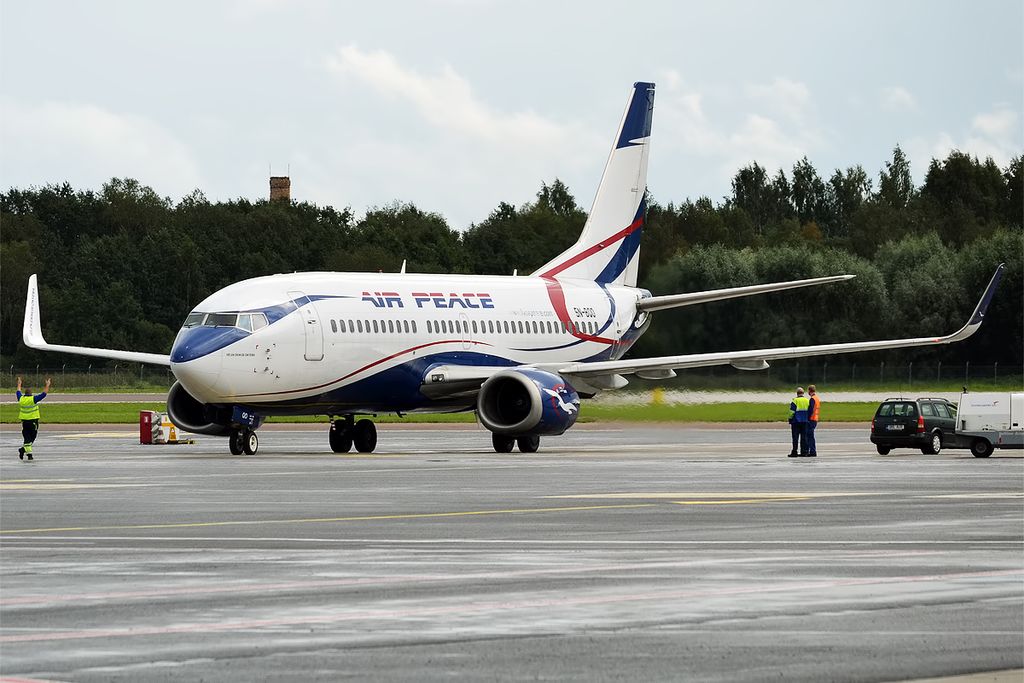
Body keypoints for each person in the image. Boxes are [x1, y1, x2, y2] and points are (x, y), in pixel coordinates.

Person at [16, 376, 51, 461]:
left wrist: (19, 384)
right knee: (31, 437)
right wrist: (47, 385)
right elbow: (44, 394)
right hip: (33, 421)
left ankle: (23, 450)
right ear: (31, 393)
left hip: (24, 422)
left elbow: (18, 391)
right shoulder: (33, 399)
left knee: (27, 436)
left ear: (25, 394)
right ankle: (29, 454)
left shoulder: (21, 399)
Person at [788, 386, 811, 457]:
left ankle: (794, 451)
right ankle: (804, 452)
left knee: (795, 437)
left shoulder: (795, 400)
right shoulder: (807, 400)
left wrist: (790, 418)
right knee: (804, 437)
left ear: (797, 393)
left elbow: (792, 411)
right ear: (803, 393)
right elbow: (810, 411)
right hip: (805, 421)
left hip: (796, 421)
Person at [806, 384, 820, 457]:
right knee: (811, 435)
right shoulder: (817, 398)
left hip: (811, 419)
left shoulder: (812, 399)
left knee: (810, 436)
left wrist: (807, 418)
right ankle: (811, 450)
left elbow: (810, 409)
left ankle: (812, 451)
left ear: (809, 390)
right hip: (815, 419)